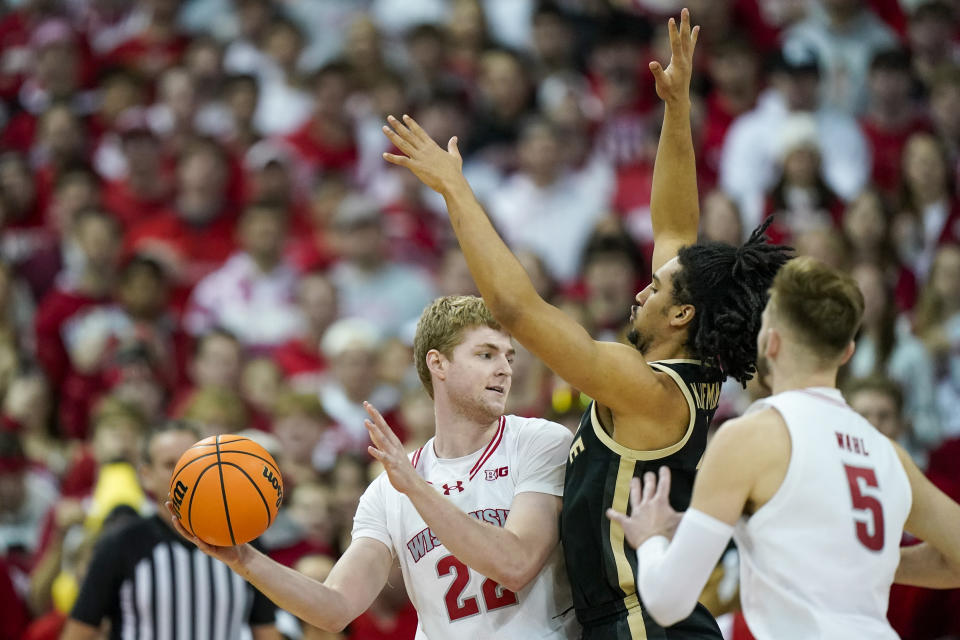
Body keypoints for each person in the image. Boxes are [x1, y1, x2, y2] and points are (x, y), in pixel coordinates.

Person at [381, 9, 791, 639]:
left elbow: (518, 311)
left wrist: (455, 192)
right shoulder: (687, 363)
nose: (639, 290)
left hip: (638, 624)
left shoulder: (645, 388)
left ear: (681, 314)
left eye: (654, 288)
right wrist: (676, 110)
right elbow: (675, 231)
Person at [167, 295, 577, 638]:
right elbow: (336, 608)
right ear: (439, 365)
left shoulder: (537, 442)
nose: (504, 368)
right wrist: (244, 559)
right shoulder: (386, 491)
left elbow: (516, 565)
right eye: (485, 354)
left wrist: (416, 487)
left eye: (508, 355)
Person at [606, 257, 960, 639]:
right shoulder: (890, 453)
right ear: (847, 353)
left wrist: (652, 537)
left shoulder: (750, 437)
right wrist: (867, 560)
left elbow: (668, 601)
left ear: (770, 342)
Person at [61, 420, 281, 640]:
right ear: (146, 476)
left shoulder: (244, 542)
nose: (182, 473)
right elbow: (79, 632)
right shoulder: (121, 543)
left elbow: (266, 632)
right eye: (169, 464)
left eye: (191, 462)